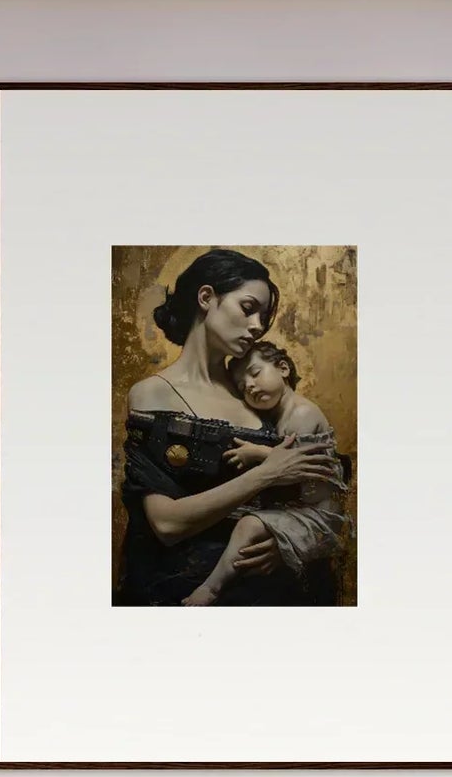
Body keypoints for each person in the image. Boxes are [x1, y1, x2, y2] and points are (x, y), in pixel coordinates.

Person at [116, 249, 344, 607]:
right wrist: (267, 473)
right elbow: (166, 525)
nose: (257, 326)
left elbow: (315, 490)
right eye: (248, 308)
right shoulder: (153, 393)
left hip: (275, 597)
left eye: (263, 316)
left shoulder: (260, 396)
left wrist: (286, 542)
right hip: (181, 593)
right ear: (206, 298)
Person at [179, 341, 352, 608]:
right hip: (298, 507)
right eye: (240, 386)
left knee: (249, 525)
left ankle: (211, 589)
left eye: (255, 373)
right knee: (241, 523)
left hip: (318, 515)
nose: (248, 385)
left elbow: (299, 468)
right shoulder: (277, 418)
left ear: (283, 369)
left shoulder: (302, 413)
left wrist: (258, 453)